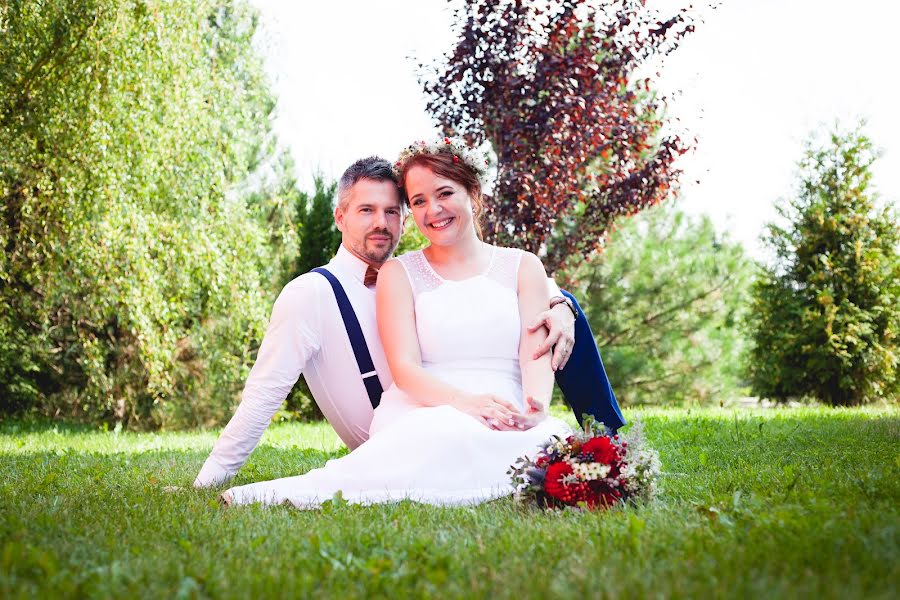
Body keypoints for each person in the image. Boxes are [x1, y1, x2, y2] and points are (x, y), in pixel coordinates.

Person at [218, 140, 620, 507]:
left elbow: (533, 352)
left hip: (507, 404)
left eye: (444, 194)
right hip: (428, 405)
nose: (433, 210)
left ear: (473, 195)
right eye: (419, 201)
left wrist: (534, 408)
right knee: (446, 436)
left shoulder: (524, 265)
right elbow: (404, 369)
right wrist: (468, 404)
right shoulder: (396, 274)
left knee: (547, 446)